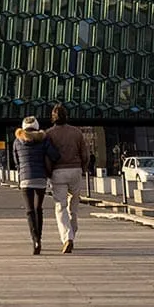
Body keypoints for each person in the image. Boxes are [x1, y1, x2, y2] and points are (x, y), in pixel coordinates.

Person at [44, 103, 90, 254]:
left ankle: (67, 237)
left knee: (60, 206)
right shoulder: (76, 132)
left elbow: (47, 156)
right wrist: (83, 168)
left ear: (53, 117)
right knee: (74, 206)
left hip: (58, 172)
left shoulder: (49, 134)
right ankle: (72, 234)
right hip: (75, 170)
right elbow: (85, 154)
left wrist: (48, 172)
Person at [11, 116, 59, 255]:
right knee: (39, 208)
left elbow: (16, 162)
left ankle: (35, 240)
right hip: (40, 178)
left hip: (25, 179)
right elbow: (55, 155)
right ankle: (40, 238)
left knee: (29, 210)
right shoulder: (43, 139)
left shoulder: (17, 141)